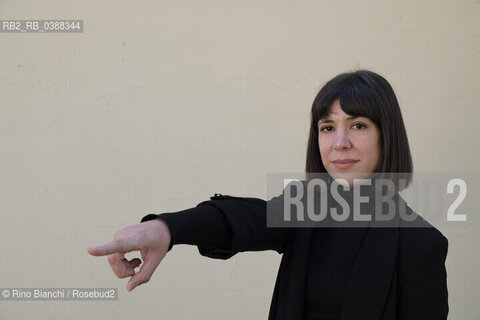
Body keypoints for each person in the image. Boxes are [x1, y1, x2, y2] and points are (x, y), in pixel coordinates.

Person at [88, 70, 448, 320]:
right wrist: (167, 229)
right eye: (327, 127)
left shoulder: (420, 244)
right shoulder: (308, 205)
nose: (340, 143)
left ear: (388, 135)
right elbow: (244, 219)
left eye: (357, 125)